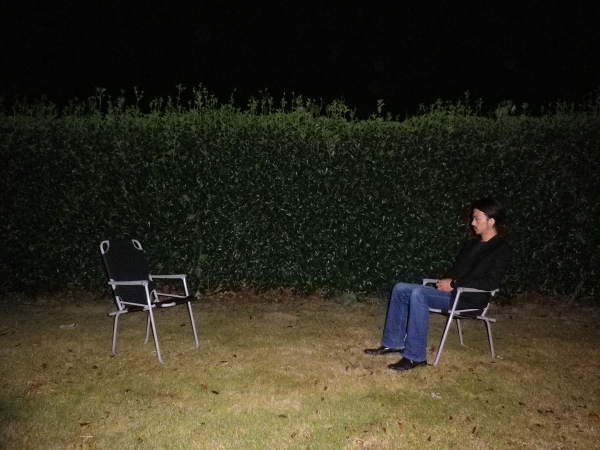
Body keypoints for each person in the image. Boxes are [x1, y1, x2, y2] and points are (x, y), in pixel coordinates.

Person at [364, 197, 513, 371]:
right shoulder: (471, 245)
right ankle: (393, 343)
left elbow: (490, 282)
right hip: (452, 293)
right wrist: (445, 282)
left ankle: (415, 357)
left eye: (477, 218)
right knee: (400, 288)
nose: (472, 223)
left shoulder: (501, 249)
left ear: (491, 221)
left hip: (469, 299)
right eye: (473, 218)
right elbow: (455, 270)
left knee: (419, 294)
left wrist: (455, 284)